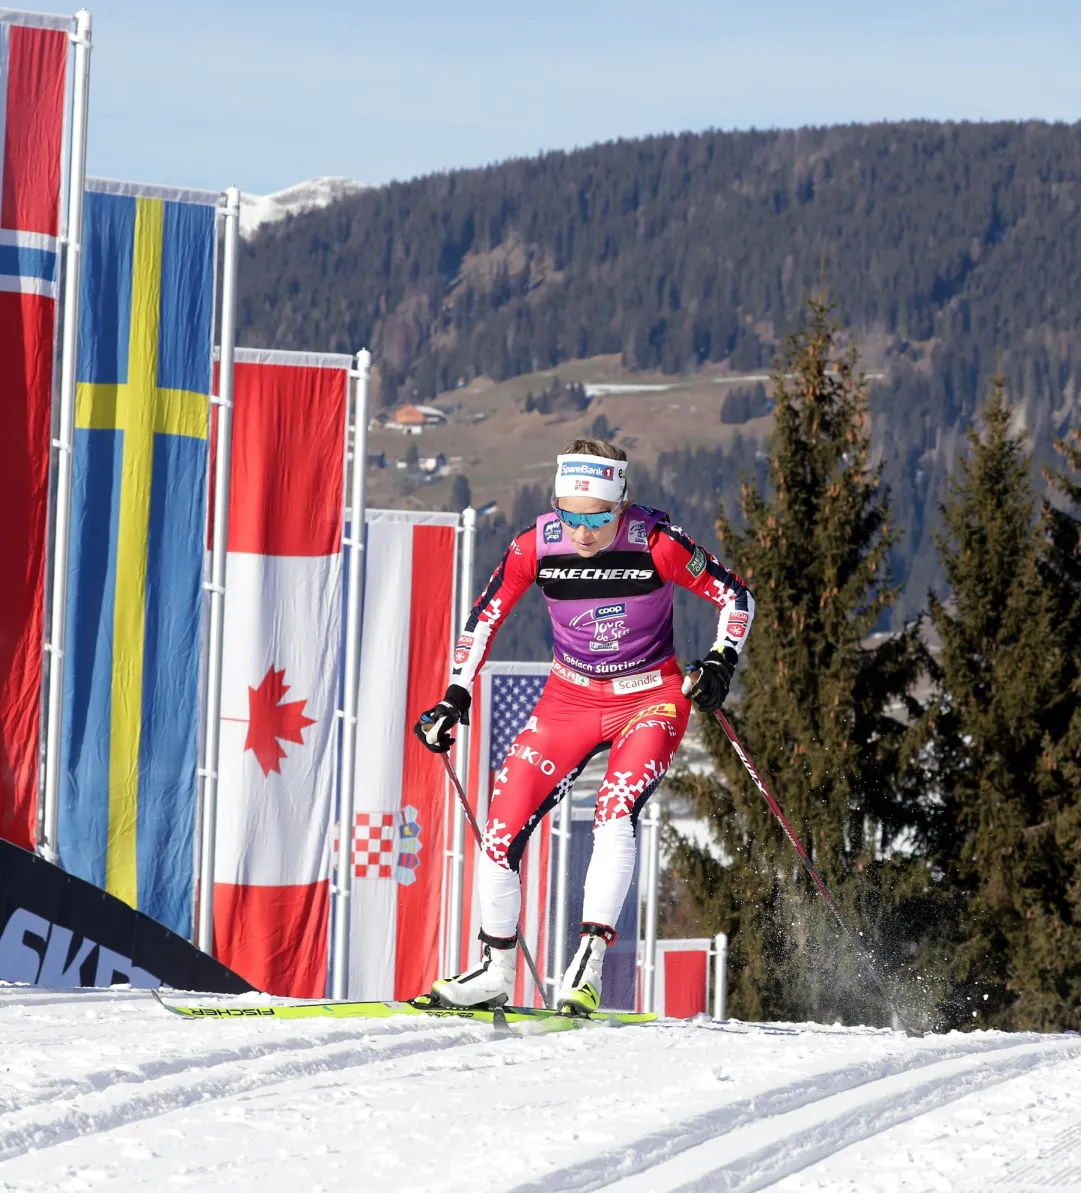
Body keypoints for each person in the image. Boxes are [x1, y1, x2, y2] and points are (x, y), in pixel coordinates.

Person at [414, 438, 754, 1014]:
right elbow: (484, 618)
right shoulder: (536, 544)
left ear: (620, 506)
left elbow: (735, 597)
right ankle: (495, 970)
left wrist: (722, 658)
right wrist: (454, 694)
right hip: (568, 700)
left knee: (613, 813)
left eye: (596, 517)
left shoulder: (657, 544)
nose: (582, 530)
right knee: (500, 830)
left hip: (649, 698)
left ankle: (587, 966)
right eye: (569, 514)